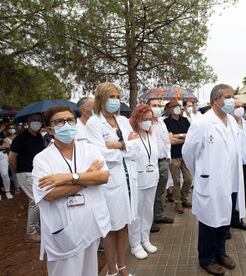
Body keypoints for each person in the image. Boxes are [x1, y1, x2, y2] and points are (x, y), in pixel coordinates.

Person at [32, 106, 111, 276]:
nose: (66, 124)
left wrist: (68, 178)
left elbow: (103, 177)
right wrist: (87, 177)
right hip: (64, 230)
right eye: (59, 121)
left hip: (90, 225)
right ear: (49, 130)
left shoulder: (89, 149)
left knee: (89, 271)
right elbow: (48, 194)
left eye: (70, 120)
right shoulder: (42, 159)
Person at [182, 84, 246, 276]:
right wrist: (201, 172)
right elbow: (188, 153)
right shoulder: (202, 123)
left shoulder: (232, 121)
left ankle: (220, 253)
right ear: (215, 100)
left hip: (231, 180)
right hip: (211, 180)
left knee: (224, 220)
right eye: (227, 97)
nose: (231, 100)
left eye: (232, 96)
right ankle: (206, 259)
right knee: (210, 221)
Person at [86, 82, 138, 276]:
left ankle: (122, 265)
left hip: (127, 179)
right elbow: (99, 153)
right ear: (101, 99)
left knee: (124, 224)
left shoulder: (123, 121)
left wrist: (118, 145)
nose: (115, 101)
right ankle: (111, 269)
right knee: (110, 227)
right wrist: (126, 147)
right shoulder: (94, 123)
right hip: (110, 181)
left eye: (117, 97)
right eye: (111, 97)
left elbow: (136, 146)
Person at [128, 104, 160, 260]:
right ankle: (135, 244)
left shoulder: (151, 136)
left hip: (152, 179)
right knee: (136, 213)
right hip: (138, 180)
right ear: (137, 119)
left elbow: (154, 157)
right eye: (144, 119)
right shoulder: (133, 136)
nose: (148, 122)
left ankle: (145, 239)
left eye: (150, 119)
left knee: (148, 211)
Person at [9, 114, 45, 242]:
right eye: (34, 120)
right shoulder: (21, 138)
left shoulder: (39, 137)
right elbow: (11, 158)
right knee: (36, 200)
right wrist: (16, 174)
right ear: (28, 122)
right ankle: (31, 232)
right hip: (24, 172)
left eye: (39, 121)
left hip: (37, 173)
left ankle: (37, 229)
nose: (37, 123)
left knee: (38, 200)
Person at [147, 99, 174, 227]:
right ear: (148, 107)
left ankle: (159, 215)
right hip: (150, 163)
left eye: (159, 106)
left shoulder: (162, 123)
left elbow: (166, 141)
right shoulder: (145, 124)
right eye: (154, 106)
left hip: (163, 161)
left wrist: (168, 157)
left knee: (160, 190)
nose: (157, 108)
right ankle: (149, 220)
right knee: (151, 191)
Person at [230, 98, 246, 232]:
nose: (240, 109)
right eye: (236, 106)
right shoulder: (228, 123)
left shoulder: (245, 123)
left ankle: (238, 219)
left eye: (241, 106)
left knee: (244, 192)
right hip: (233, 166)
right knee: (231, 194)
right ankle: (226, 223)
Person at [164, 99, 193, 214]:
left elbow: (191, 136)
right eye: (174, 106)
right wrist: (184, 137)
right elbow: (171, 141)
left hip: (185, 154)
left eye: (178, 106)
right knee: (176, 181)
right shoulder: (166, 122)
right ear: (170, 110)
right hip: (173, 155)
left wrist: (178, 136)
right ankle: (178, 203)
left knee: (189, 179)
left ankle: (184, 198)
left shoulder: (185, 120)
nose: (177, 108)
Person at [0, 123, 13, 199]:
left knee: (5, 174)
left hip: (3, 155)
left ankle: (7, 191)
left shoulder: (1, 134)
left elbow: (7, 145)